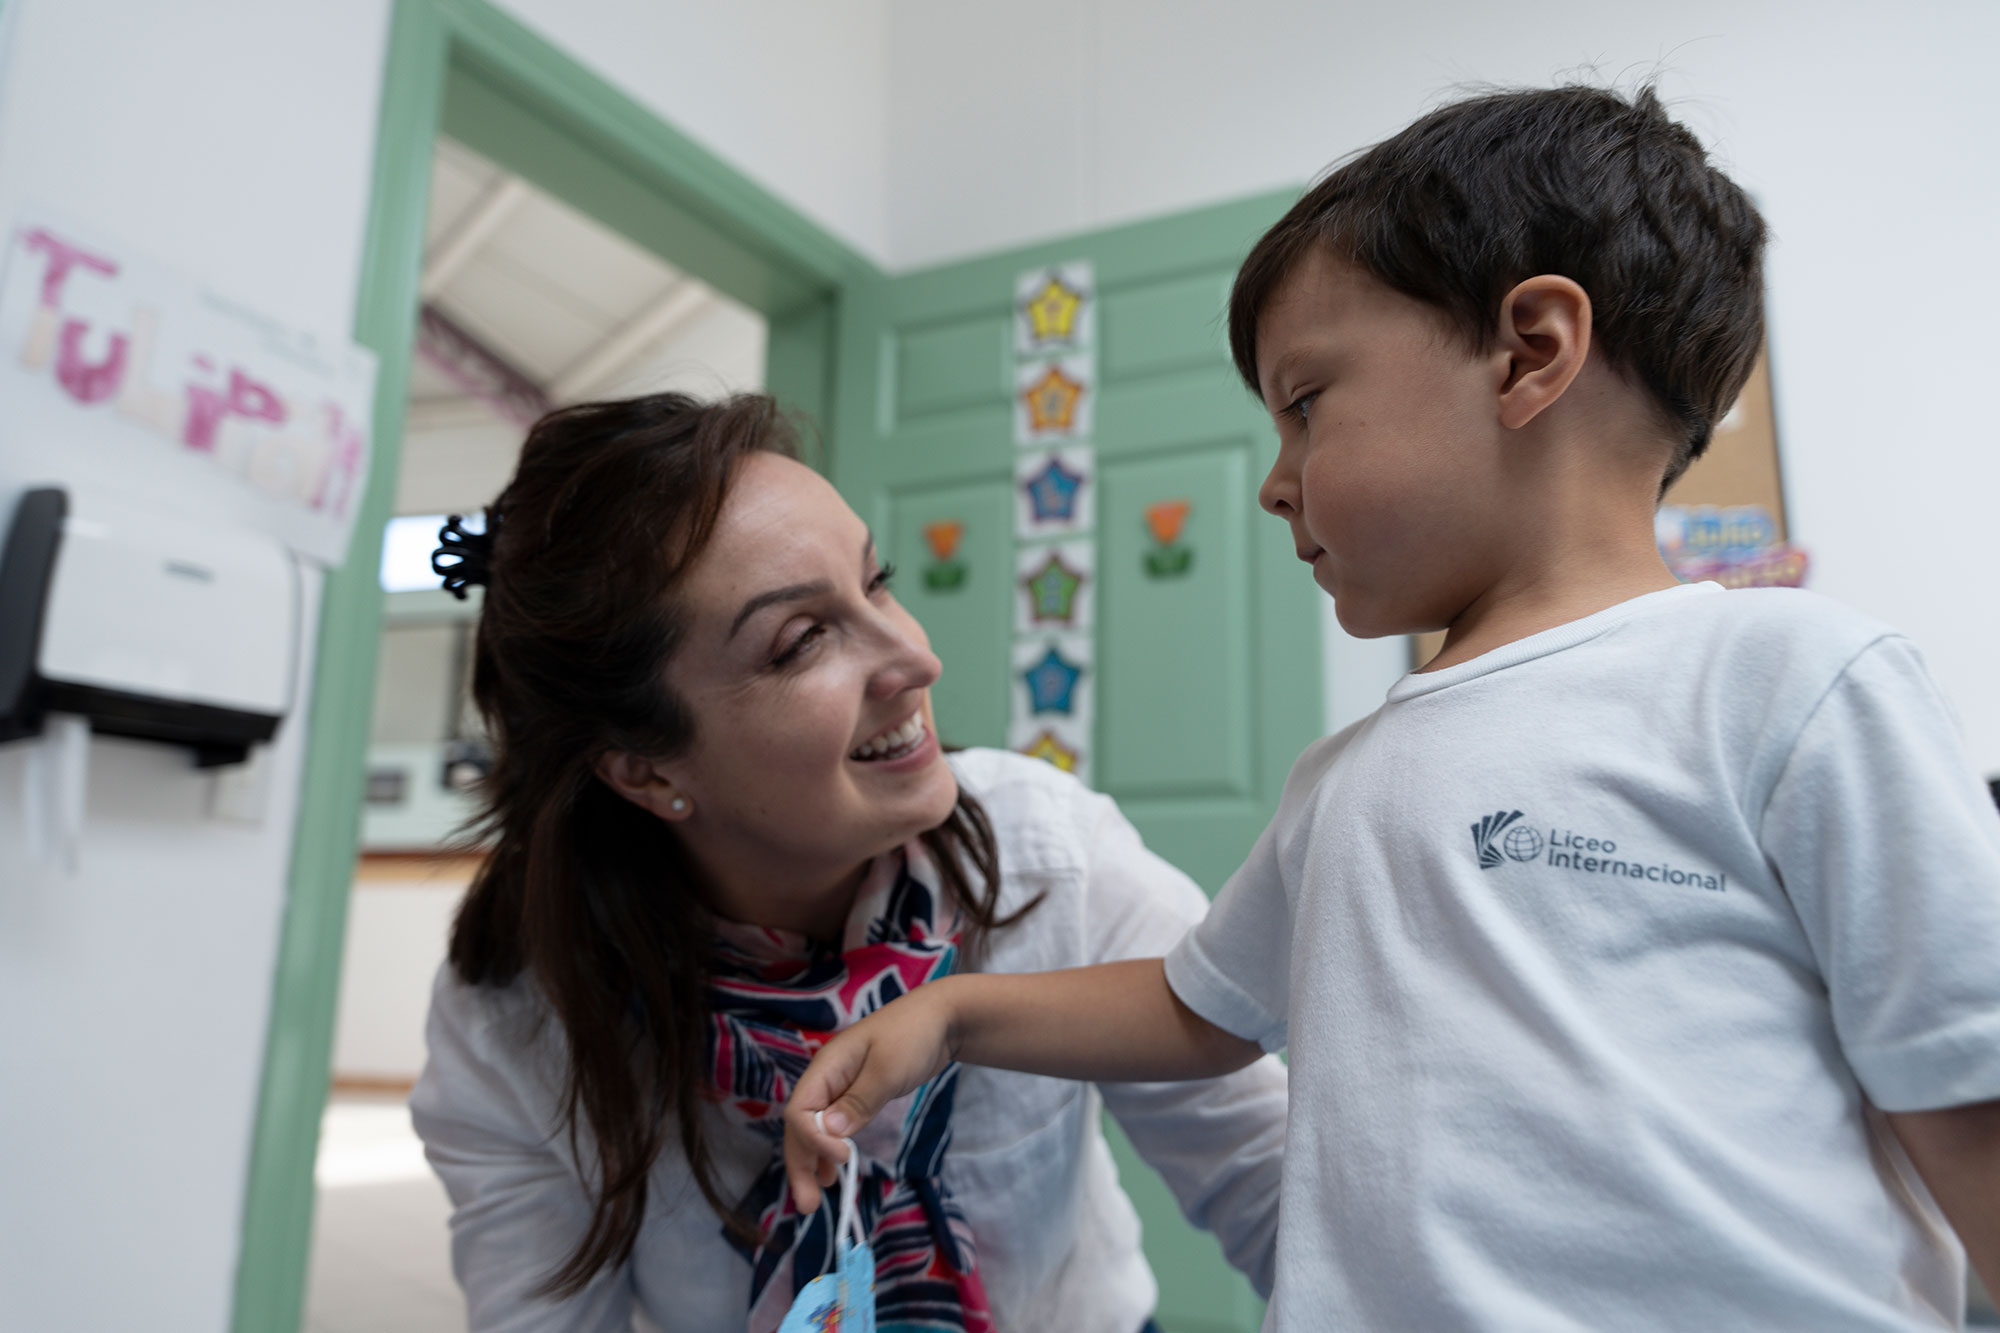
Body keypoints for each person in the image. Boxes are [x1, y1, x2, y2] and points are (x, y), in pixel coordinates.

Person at [785, 85, 2000, 1329]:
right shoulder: (1344, 776)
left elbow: (1962, 1089)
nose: (1272, 482)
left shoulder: (1789, 682)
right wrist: (951, 1011)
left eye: (1304, 402)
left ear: (1529, 352)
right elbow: (1197, 1010)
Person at [407, 392, 1288, 1333]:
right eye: (801, 641)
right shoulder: (515, 1018)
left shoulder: (1046, 855)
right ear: (645, 768)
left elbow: (1277, 1185)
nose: (914, 654)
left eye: (877, 582)